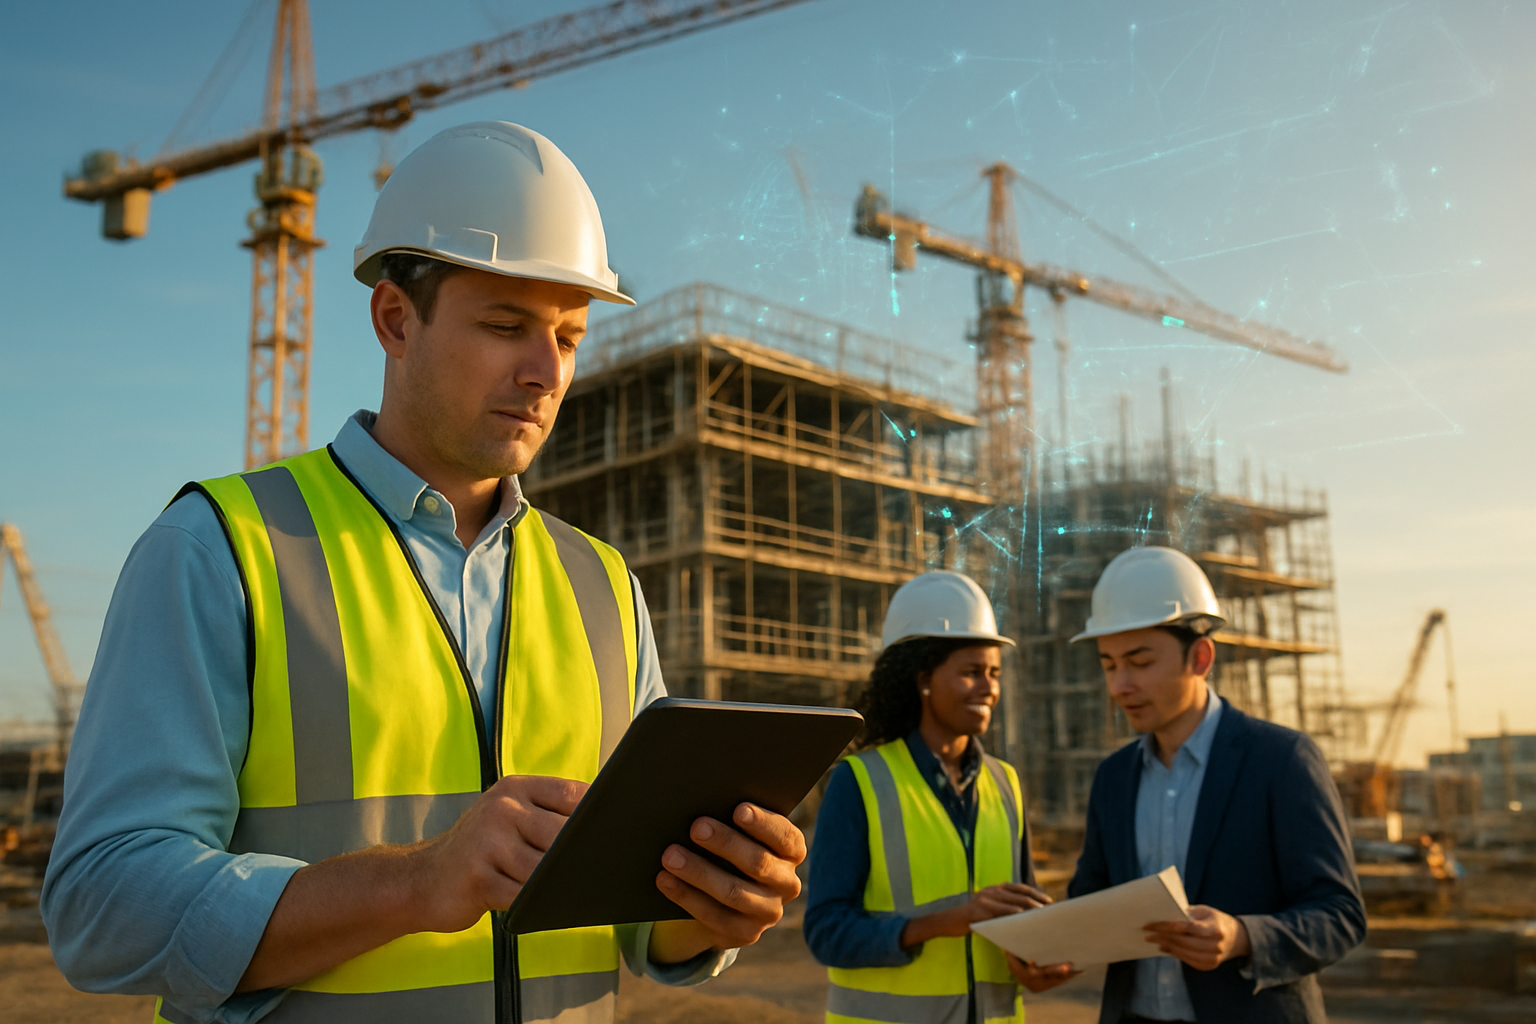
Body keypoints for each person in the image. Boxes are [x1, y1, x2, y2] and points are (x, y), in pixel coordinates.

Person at [41, 121, 805, 1024]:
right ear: (395, 319)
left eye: (567, 336)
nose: (544, 372)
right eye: (505, 326)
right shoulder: (220, 549)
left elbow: (639, 921)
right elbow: (101, 909)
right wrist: (413, 884)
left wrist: (709, 905)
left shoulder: (603, 585)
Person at [1016, 546, 1365, 1024]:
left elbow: (1340, 913)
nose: (1121, 685)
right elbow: (1094, 900)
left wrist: (1242, 935)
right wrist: (1056, 951)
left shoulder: (1281, 760)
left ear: (1200, 657)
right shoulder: (1114, 778)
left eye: (1139, 662)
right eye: (1109, 664)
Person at [804, 571, 1068, 1024]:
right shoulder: (859, 781)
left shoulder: (1006, 784)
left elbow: (1026, 915)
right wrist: (942, 923)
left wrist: (1039, 960)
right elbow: (826, 932)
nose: (988, 687)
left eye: (994, 673)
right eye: (971, 673)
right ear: (923, 678)